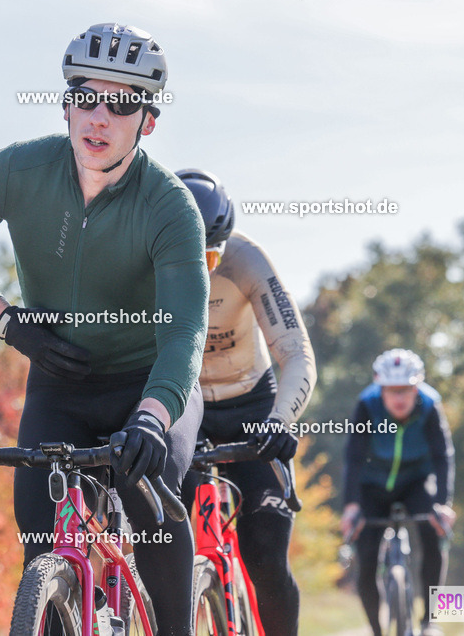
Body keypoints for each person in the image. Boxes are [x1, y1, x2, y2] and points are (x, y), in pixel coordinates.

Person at [0, 22, 208, 635]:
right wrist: (8, 323)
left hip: (149, 387)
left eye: (121, 103)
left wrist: (153, 417)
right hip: (59, 386)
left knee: (156, 511)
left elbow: (183, 334)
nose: (98, 117)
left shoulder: (171, 208)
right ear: (66, 103)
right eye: (84, 97)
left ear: (147, 120)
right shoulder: (19, 172)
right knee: (40, 539)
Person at [176, 169, 316, 636]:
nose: (204, 265)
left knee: (264, 555)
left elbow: (296, 353)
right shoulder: (140, 258)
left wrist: (280, 421)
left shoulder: (247, 259)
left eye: (212, 253)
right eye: (188, 252)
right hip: (184, 404)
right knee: (164, 542)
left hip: (252, 408)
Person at [340, 348, 456, 636]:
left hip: (416, 481)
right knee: (365, 559)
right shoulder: (367, 405)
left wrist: (443, 503)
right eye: (392, 391)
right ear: (381, 389)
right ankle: (376, 630)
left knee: (433, 534)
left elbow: (443, 456)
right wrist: (351, 505)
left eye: (406, 390)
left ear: (417, 388)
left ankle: (429, 621)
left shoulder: (430, 405)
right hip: (372, 486)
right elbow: (354, 457)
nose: (399, 398)